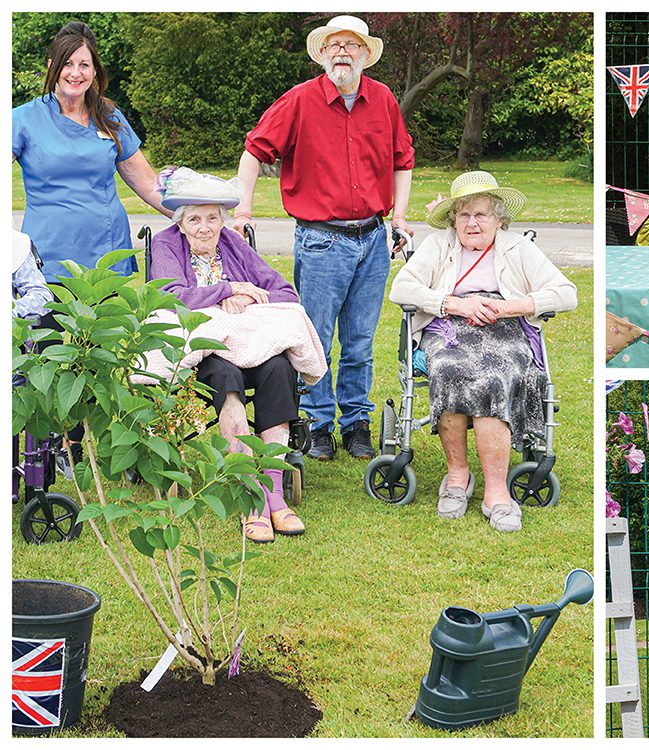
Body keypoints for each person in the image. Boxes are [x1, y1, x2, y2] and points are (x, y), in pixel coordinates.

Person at [233, 14, 413, 462]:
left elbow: (402, 159)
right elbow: (255, 150)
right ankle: (317, 423)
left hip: (372, 238)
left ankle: (356, 421)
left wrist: (401, 217)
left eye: (351, 45)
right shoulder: (300, 100)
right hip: (321, 241)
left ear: (365, 55)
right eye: (334, 45)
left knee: (360, 341)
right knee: (315, 338)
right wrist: (243, 207)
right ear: (323, 54)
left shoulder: (383, 99)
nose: (342, 52)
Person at [388, 171, 577, 532]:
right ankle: (458, 477)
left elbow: (567, 293)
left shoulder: (517, 247)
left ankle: (496, 491)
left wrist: (511, 307)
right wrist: (453, 304)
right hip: (449, 326)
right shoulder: (438, 245)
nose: (472, 223)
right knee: (448, 370)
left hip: (504, 327)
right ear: (453, 220)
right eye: (464, 215)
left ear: (499, 219)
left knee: (496, 375)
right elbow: (401, 288)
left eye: (481, 214)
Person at [149, 168, 307, 544]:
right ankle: (251, 497)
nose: (204, 227)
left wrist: (249, 296)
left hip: (249, 344)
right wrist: (224, 292)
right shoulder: (166, 244)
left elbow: (283, 290)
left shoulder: (234, 244)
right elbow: (170, 294)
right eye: (195, 219)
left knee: (279, 369)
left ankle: (275, 492)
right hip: (203, 352)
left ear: (222, 219)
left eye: (212, 217)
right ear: (181, 223)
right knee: (225, 377)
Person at [12, 21, 170, 283]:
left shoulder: (110, 117)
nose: (76, 73)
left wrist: (200, 219)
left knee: (109, 325)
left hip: (106, 256)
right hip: (48, 261)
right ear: (51, 66)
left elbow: (148, 185)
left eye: (84, 65)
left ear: (94, 71)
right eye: (67, 63)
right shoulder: (22, 119)